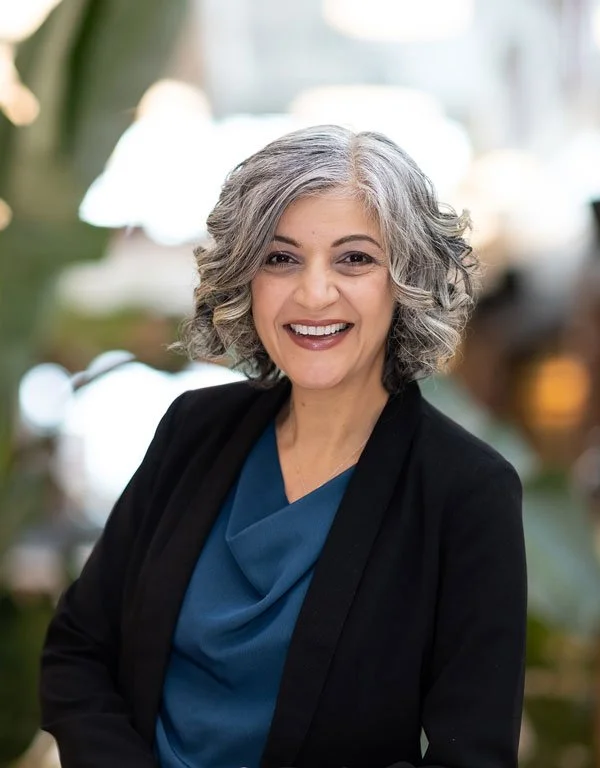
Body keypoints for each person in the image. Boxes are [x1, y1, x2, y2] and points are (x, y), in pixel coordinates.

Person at [40, 124, 527, 768]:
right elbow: (77, 649)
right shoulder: (194, 428)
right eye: (280, 257)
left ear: (405, 280)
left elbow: (474, 755)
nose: (313, 292)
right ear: (247, 278)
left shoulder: (466, 491)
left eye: (354, 258)